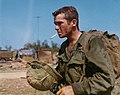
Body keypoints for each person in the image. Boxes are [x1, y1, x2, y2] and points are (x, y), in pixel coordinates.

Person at [51, 6, 115, 95]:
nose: (56, 28)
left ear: (74, 22)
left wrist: (75, 89)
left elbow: (106, 79)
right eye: (55, 24)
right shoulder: (64, 47)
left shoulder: (92, 42)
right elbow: (63, 77)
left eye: (60, 23)